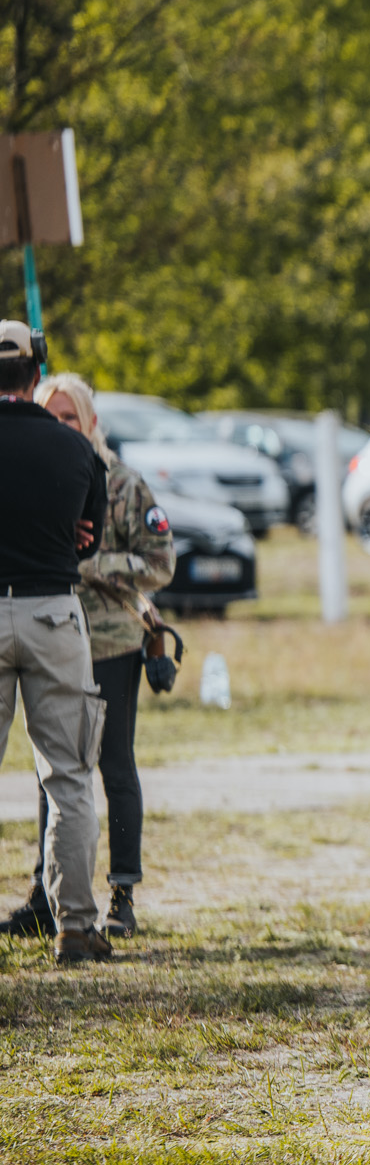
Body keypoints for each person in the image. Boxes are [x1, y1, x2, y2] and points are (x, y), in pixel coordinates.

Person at [2, 374, 173, 940]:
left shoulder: (118, 481)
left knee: (111, 767)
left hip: (109, 642)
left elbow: (158, 561)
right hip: (55, 637)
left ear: (89, 421)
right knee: (49, 773)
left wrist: (93, 565)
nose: (60, 425)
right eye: (51, 414)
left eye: (70, 416)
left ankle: (122, 893)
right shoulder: (42, 466)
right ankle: (46, 895)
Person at [0, 321, 114, 964]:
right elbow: (89, 542)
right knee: (68, 775)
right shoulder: (76, 452)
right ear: (35, 376)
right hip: (52, 613)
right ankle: (75, 925)